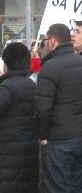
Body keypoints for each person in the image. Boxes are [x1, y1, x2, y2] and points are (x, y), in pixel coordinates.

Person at [35, 23, 82, 193]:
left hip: (58, 140)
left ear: (52, 41)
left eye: (44, 40)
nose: (42, 45)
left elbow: (42, 108)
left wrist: (43, 136)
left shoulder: (50, 68)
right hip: (81, 136)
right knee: (76, 186)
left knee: (58, 188)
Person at [0, 43, 39, 193]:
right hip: (29, 151)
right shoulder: (33, 85)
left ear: (7, 63)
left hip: (7, 154)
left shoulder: (7, 87)